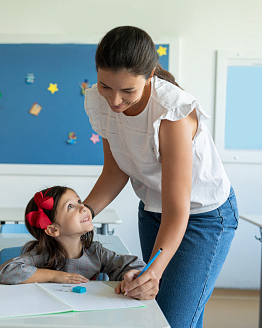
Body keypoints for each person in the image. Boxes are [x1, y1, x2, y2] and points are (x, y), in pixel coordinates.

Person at [83, 26, 238, 327]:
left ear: (150, 75)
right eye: (105, 86)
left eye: (127, 90)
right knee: (164, 310)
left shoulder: (172, 111)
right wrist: (83, 213)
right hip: (153, 211)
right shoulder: (99, 101)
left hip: (202, 215)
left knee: (170, 320)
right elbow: (115, 170)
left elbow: (178, 209)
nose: (114, 101)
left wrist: (153, 272)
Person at [0, 186, 146, 293]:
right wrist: (54, 276)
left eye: (79, 201)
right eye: (70, 207)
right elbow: (5, 272)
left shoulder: (96, 252)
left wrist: (129, 278)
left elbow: (135, 265)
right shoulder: (44, 255)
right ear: (53, 229)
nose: (84, 208)